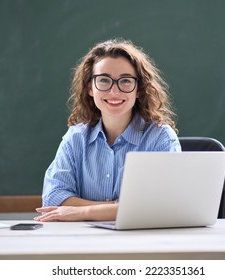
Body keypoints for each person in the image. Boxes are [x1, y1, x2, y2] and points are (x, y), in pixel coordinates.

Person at [34, 38, 181, 222]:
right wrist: (119, 208)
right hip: (83, 242)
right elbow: (54, 198)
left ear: (139, 89)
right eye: (104, 80)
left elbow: (162, 205)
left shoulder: (161, 138)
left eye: (125, 81)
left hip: (141, 244)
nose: (114, 91)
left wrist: (82, 212)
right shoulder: (76, 138)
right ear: (90, 88)